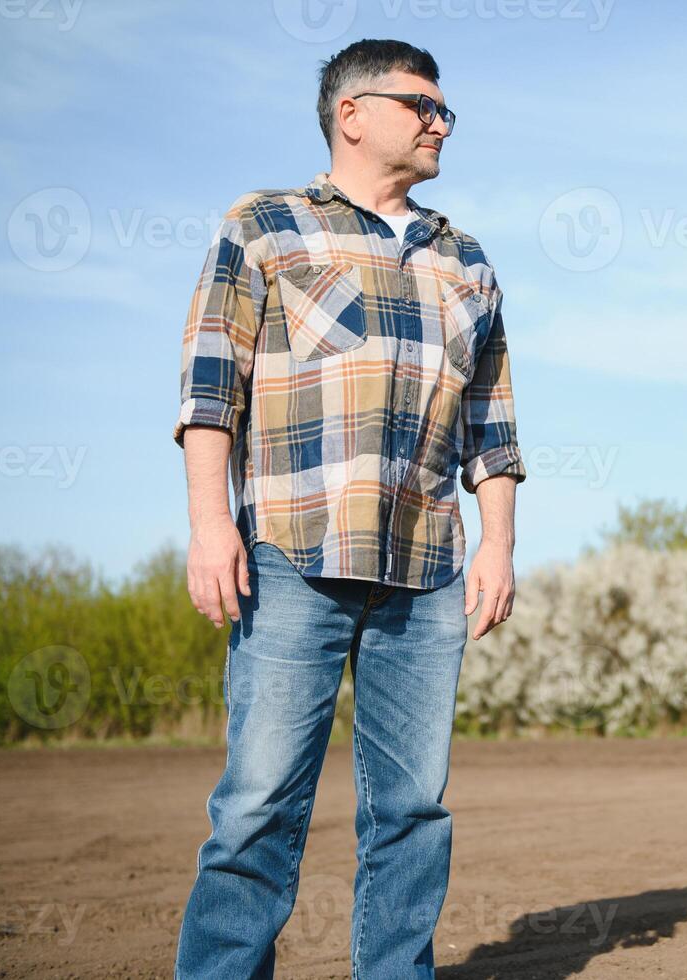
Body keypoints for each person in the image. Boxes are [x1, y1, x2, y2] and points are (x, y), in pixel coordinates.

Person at [171, 38, 526, 980]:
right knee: (257, 805)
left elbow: (491, 424)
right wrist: (212, 527)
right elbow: (211, 391)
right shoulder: (265, 225)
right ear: (352, 113)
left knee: (412, 810)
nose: (441, 123)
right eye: (423, 105)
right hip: (291, 555)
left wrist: (497, 546)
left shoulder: (467, 258)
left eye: (447, 110)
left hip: (426, 569)